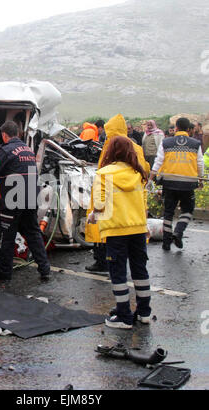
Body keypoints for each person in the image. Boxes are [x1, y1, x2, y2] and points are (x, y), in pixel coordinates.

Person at [87, 136, 151, 329]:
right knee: (140, 270)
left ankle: (124, 315)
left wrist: (93, 216)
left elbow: (100, 204)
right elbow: (143, 204)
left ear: (110, 151)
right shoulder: (138, 172)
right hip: (138, 228)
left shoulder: (104, 173)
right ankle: (144, 312)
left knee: (118, 272)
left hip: (116, 230)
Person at [85, 114, 150, 274]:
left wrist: (96, 210)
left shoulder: (111, 146)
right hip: (133, 203)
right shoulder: (137, 148)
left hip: (111, 199)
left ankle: (102, 263)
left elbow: (103, 171)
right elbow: (144, 171)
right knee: (137, 263)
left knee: (106, 233)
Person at [0, 120, 51, 283]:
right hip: (31, 198)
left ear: (4, 135)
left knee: (7, 236)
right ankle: (45, 269)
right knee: (33, 234)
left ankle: (4, 273)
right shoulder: (28, 150)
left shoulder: (5, 150)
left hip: (13, 200)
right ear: (18, 133)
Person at [147, 117, 204, 251]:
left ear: (176, 128)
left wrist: (151, 178)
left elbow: (158, 161)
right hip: (188, 183)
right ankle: (178, 231)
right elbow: (200, 163)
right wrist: (200, 179)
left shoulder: (166, 142)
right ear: (189, 129)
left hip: (169, 182)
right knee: (188, 210)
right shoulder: (195, 144)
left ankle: (166, 242)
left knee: (168, 212)